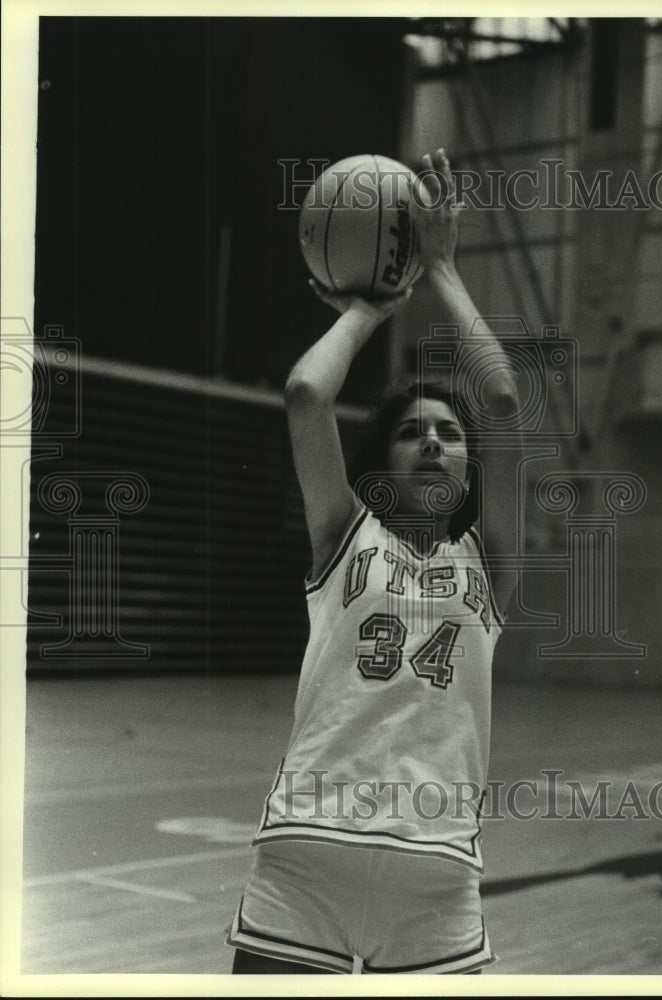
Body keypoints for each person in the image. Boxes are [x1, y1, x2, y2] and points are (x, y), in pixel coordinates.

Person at [226, 148, 523, 975]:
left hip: (437, 883)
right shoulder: (344, 537)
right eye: (412, 430)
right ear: (383, 461)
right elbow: (306, 395)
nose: (433, 439)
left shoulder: (489, 566)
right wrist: (374, 307)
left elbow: (500, 399)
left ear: (468, 465)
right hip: (304, 861)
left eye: (448, 433)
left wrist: (444, 269)